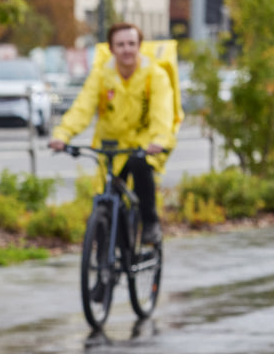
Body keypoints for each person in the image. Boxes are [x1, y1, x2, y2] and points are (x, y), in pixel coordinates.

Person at [48, 22, 177, 245]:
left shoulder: (154, 75)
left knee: (140, 166)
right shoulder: (101, 75)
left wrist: (160, 139)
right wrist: (62, 134)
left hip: (144, 144)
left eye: (131, 43)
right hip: (111, 146)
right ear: (110, 48)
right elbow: (82, 107)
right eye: (120, 44)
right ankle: (107, 259)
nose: (126, 49)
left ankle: (150, 223)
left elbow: (162, 113)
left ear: (139, 46)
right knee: (106, 201)